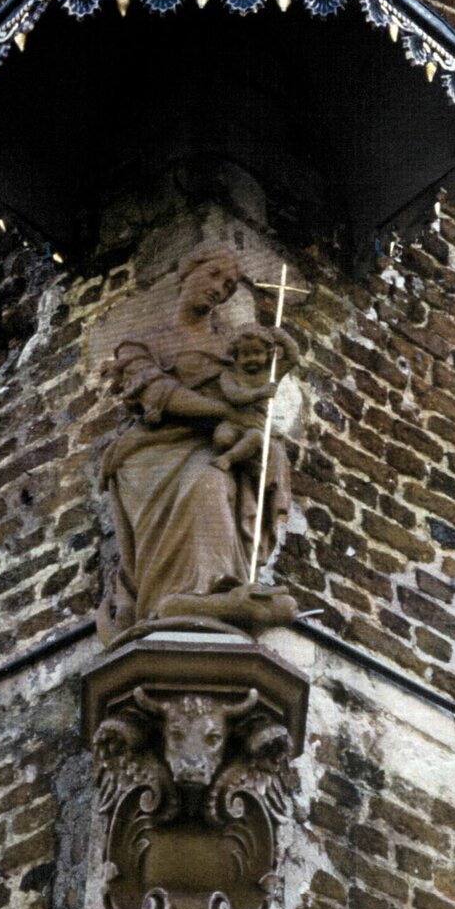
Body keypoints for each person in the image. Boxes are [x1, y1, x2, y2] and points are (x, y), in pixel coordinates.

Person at [96, 241, 297, 646]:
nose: (219, 289)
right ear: (186, 273)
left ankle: (214, 593)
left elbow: (253, 388)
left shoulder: (231, 348)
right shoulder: (143, 344)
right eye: (213, 276)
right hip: (152, 452)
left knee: (213, 480)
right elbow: (156, 391)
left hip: (213, 448)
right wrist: (223, 413)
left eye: (228, 287)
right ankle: (172, 601)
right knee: (204, 483)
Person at [212, 324, 300, 472]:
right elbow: (234, 396)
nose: (252, 358)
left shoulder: (272, 372)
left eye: (257, 353)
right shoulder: (229, 375)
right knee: (223, 439)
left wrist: (283, 337)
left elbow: (293, 358)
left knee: (256, 438)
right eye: (246, 355)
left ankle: (228, 459)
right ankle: (245, 463)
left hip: (256, 424)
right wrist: (260, 393)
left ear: (267, 353)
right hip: (233, 421)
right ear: (236, 357)